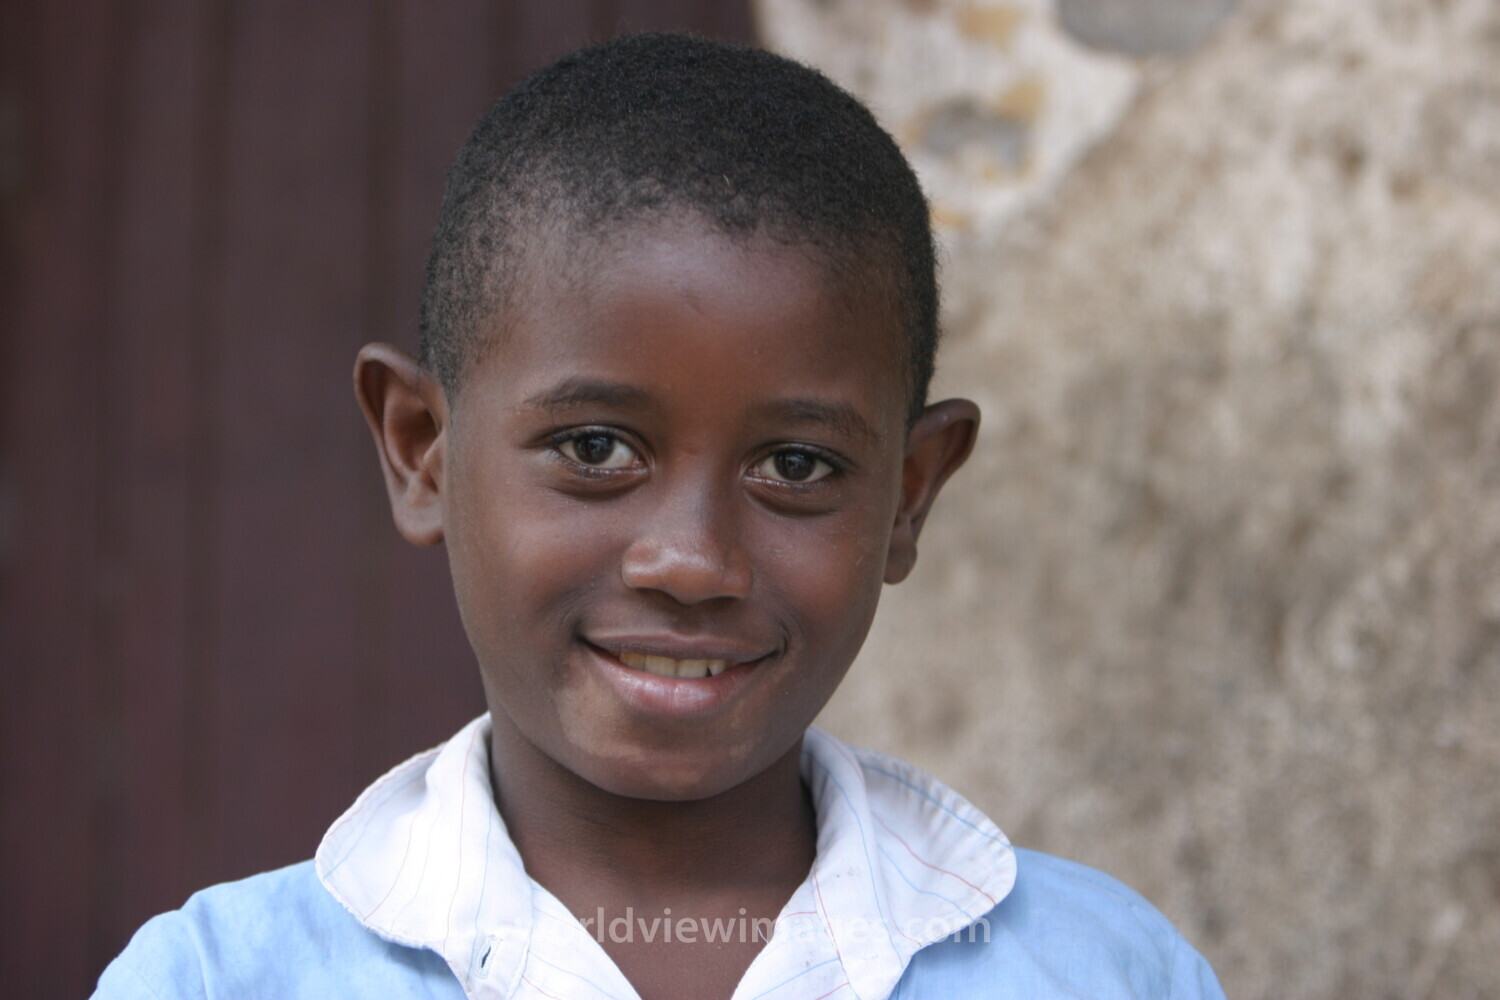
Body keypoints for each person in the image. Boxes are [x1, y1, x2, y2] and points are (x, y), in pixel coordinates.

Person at [93, 32, 1226, 1000]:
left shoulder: (1100, 972)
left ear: (910, 492)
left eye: (795, 464)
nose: (691, 561)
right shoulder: (218, 980)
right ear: (421, 450)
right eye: (595, 449)